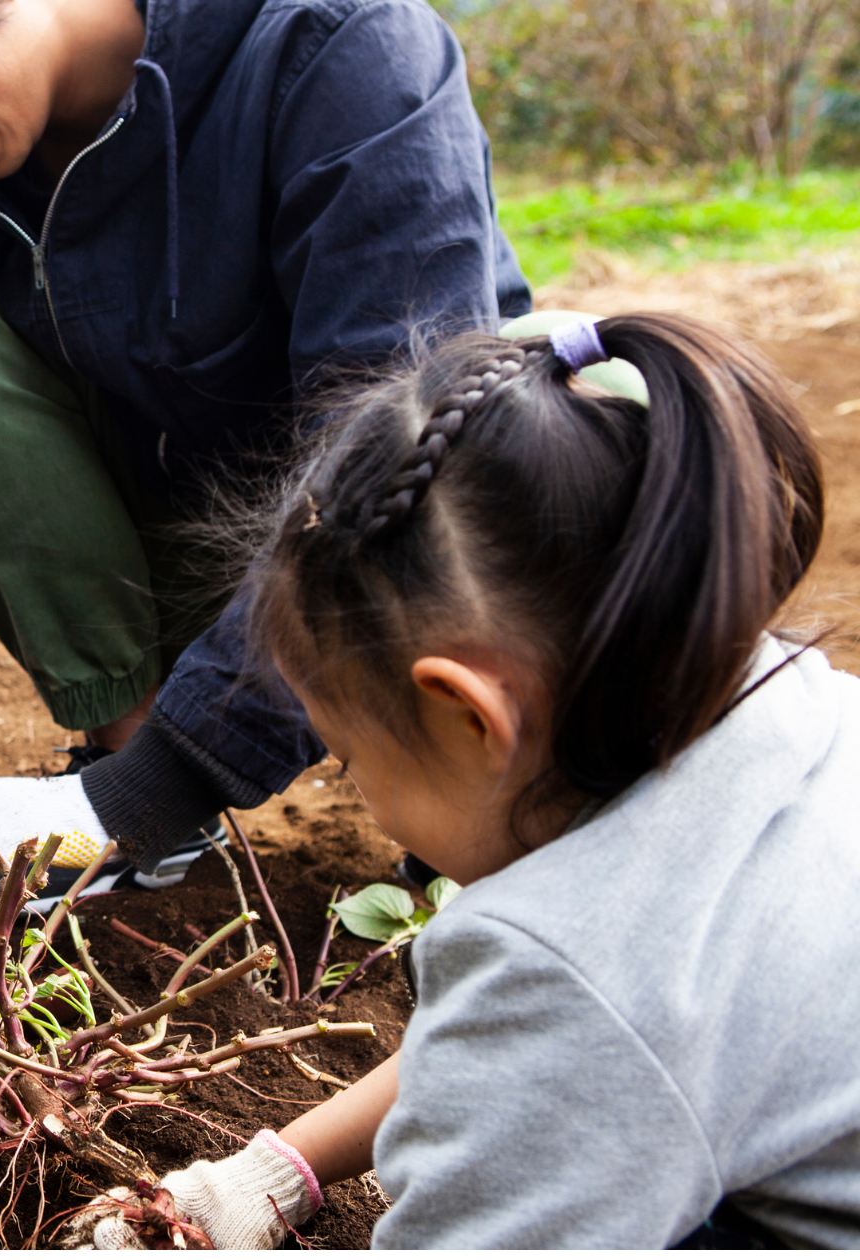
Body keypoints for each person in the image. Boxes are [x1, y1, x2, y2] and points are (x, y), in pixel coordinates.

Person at [0, 0, 532, 922]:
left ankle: (459, 800)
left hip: (382, 570)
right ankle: (140, 784)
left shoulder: (333, 48)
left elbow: (395, 465)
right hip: (171, 566)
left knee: (569, 432)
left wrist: (144, 794)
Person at [76, 312, 851, 1248]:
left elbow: (568, 1016)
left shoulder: (571, 968)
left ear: (471, 716)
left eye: (351, 759)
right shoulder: (790, 706)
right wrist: (275, 1175)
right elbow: (569, 1039)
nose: (358, 789)